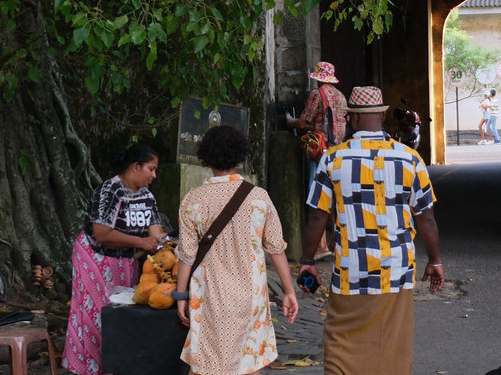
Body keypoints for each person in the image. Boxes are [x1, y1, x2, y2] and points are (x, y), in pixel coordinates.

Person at [297, 86, 444, 375]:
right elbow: (425, 218)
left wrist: (307, 261)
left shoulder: (332, 159)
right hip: (397, 269)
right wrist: (435, 260)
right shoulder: (410, 159)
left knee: (341, 341)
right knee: (392, 345)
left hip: (352, 269)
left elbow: (317, 217)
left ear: (351, 118)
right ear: (384, 114)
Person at [175, 125, 299, 375]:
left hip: (209, 297)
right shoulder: (259, 198)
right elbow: (276, 249)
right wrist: (288, 291)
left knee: (202, 364)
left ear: (206, 157)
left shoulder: (193, 199)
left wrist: (180, 295)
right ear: (240, 156)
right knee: (247, 363)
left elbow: (187, 254)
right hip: (250, 297)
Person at [63, 144, 165, 375]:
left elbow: (156, 234)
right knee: (96, 315)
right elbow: (101, 233)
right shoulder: (110, 190)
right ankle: (88, 369)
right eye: (151, 169)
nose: (154, 175)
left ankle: (115, 367)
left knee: (120, 315)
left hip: (125, 262)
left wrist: (173, 241)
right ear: (135, 166)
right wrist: (140, 243)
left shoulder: (147, 196)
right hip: (95, 257)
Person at [286, 60, 348, 258]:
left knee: (318, 196)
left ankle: (320, 245)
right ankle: (337, 243)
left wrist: (290, 121)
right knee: (337, 198)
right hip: (338, 152)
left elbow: (304, 123)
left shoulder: (317, 94)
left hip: (321, 153)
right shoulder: (341, 96)